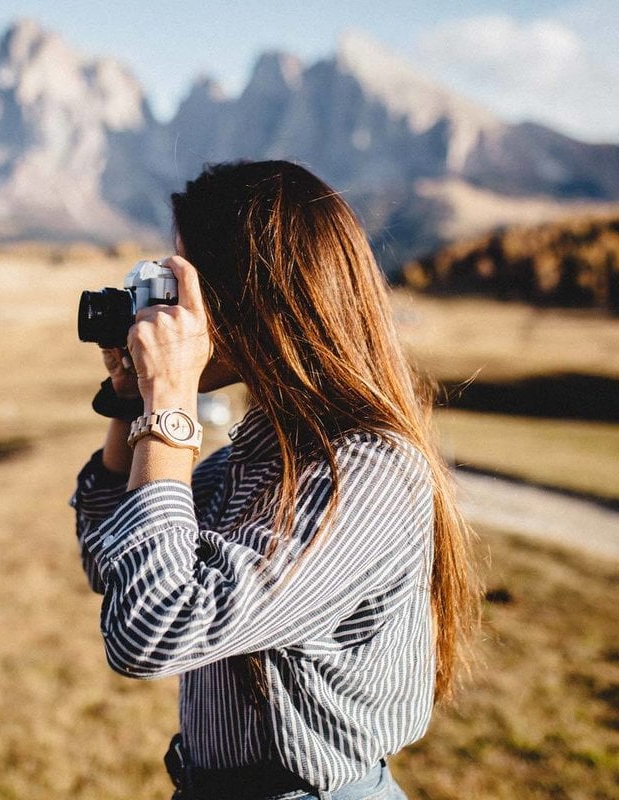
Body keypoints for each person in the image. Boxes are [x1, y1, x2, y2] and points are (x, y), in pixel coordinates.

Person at [70, 161, 480, 800]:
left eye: (180, 282)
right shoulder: (247, 463)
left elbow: (151, 629)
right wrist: (133, 405)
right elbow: (112, 564)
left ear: (253, 296)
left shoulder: (370, 472)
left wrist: (171, 399)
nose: (165, 311)